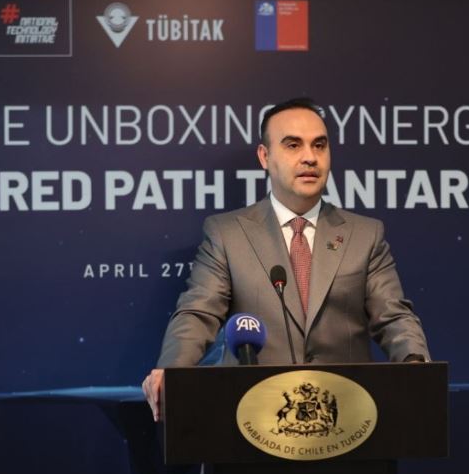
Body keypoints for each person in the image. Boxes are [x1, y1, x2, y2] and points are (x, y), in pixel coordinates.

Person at [141, 98, 429, 420]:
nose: (310, 157)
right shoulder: (227, 234)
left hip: (344, 416)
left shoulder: (365, 235)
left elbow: (393, 316)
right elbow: (198, 313)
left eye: (319, 145)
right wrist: (172, 372)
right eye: (293, 145)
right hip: (256, 416)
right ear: (264, 157)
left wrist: (416, 366)